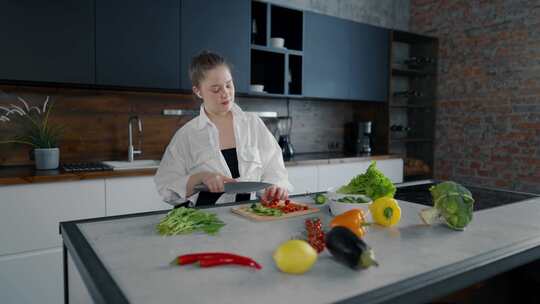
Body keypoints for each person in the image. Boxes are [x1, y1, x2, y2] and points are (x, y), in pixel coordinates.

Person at [155, 50, 292, 207]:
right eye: (215, 89)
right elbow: (165, 187)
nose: (225, 93)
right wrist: (200, 177)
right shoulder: (187, 135)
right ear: (198, 91)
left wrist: (276, 188)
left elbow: (275, 171)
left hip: (252, 219)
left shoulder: (253, 124)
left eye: (228, 85)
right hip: (206, 223)